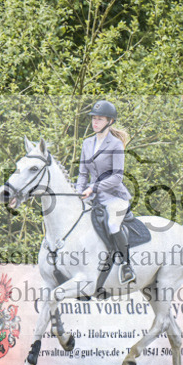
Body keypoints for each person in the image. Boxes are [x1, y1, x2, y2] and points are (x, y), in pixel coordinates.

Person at [75, 100, 136, 284]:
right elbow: (83, 174)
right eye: (94, 118)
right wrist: (78, 193)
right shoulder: (87, 143)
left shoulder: (116, 145)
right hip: (93, 197)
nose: (95, 122)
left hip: (115, 197)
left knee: (112, 225)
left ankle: (126, 266)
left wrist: (93, 187)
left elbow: (117, 177)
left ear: (110, 121)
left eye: (99, 119)